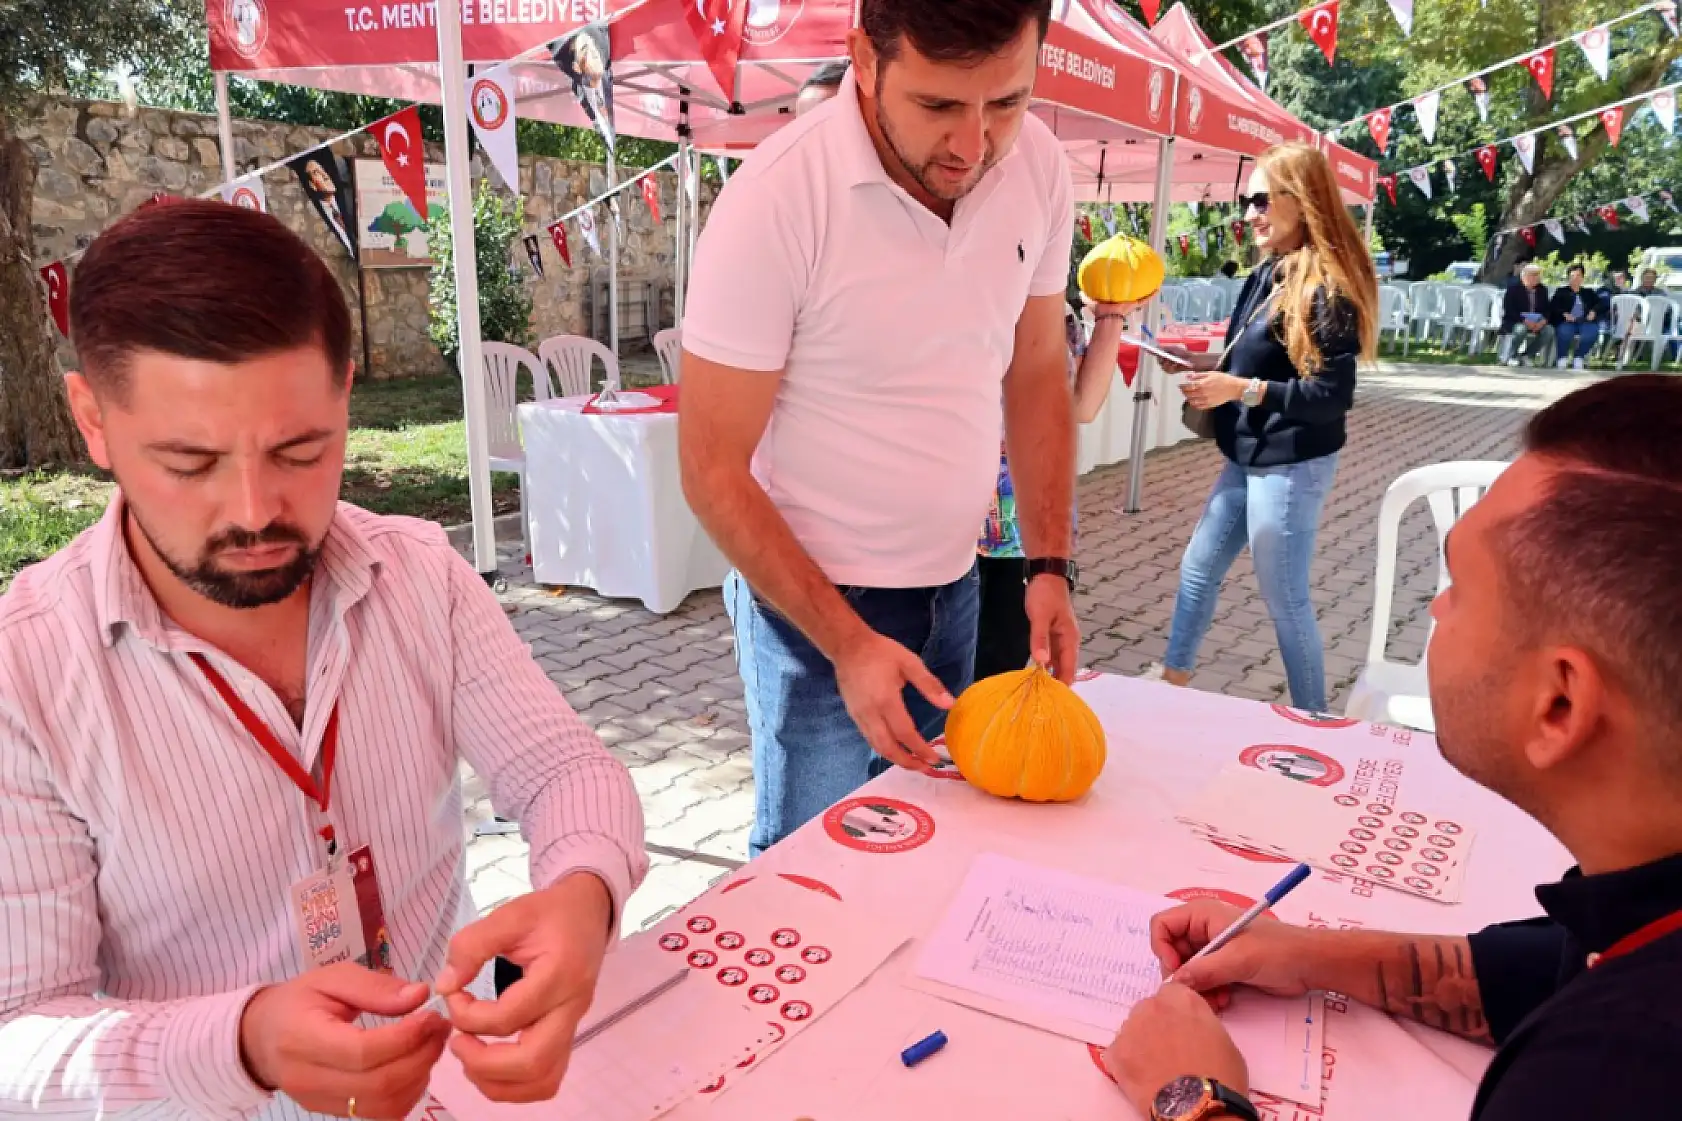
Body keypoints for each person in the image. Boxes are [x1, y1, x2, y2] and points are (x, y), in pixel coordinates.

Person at [0, 201, 647, 1119]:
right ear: (92, 423)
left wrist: (585, 895)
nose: (257, 509)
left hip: (447, 1090)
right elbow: (19, 1030)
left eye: (301, 450)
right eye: (189, 463)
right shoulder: (24, 675)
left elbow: (565, 769)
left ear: (346, 393)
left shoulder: (418, 574)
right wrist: (242, 1043)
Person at [1104, 374, 1682, 1121]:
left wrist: (1193, 1096)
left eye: (1462, 588)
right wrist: (1302, 952)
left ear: (1560, 704)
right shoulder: (1642, 911)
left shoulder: (1608, 1073)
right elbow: (1553, 966)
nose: (1435, 604)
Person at [679, 0, 1081, 856]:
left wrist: (1048, 565)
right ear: (864, 59)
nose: (975, 147)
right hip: (809, 616)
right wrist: (848, 645)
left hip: (959, 588)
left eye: (1006, 103)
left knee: (929, 850)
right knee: (805, 866)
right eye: (939, 106)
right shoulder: (778, 199)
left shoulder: (1041, 169)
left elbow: (1038, 369)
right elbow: (711, 468)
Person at [1152, 142, 1376, 713]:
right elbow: (1248, 360)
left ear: (1300, 203)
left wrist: (1240, 390)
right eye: (1245, 200)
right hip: (1246, 454)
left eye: (1259, 199)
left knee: (1286, 600)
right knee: (1199, 567)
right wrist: (1202, 366)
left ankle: (1313, 718)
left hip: (1293, 464)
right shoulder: (1266, 274)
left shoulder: (1329, 285)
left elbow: (1333, 395)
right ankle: (1171, 682)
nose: (1248, 212)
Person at [974, 297, 1138, 679]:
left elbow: (1082, 405)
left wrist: (1112, 316)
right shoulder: (963, 286)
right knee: (938, 676)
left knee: (998, 669)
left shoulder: (1055, 310)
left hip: (1022, 528)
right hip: (949, 520)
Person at [1548, 263, 1601, 371]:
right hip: (1567, 321)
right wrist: (1564, 314)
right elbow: (1553, 306)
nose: (1575, 279)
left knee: (1592, 332)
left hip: (1584, 321)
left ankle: (1579, 357)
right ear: (1568, 277)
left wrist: (1593, 311)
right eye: (1572, 276)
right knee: (1564, 331)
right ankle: (1562, 357)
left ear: (1582, 278)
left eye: (1578, 276)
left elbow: (1600, 304)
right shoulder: (1561, 292)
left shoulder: (1588, 292)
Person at [1500, 262, 1552, 367]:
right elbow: (1509, 310)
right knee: (1520, 330)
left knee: (1549, 331)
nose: (1537, 277)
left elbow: (1547, 309)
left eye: (1538, 275)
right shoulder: (1513, 289)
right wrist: (1525, 321)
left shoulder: (1542, 290)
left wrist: (1543, 321)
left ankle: (1527, 355)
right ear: (1524, 276)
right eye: (1533, 275)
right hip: (1516, 321)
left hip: (1537, 322)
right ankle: (1512, 356)